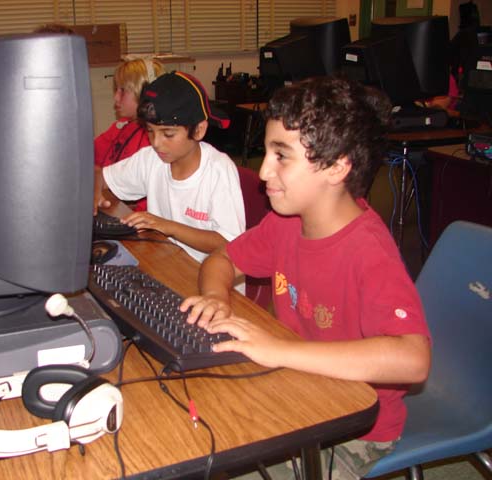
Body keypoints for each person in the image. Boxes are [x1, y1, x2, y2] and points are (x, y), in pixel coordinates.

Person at [180, 76, 432, 479]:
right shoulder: (286, 222)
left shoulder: (369, 252)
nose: (264, 170)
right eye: (266, 152)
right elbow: (221, 259)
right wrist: (216, 297)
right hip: (297, 384)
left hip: (355, 424)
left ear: (336, 167)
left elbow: (413, 360)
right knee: (199, 430)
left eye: (281, 156)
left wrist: (279, 351)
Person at [94, 71, 246, 263]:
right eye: (150, 131)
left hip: (206, 273)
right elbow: (100, 176)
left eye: (168, 134)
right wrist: (95, 193)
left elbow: (230, 243)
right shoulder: (151, 159)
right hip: (165, 262)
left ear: (199, 130)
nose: (156, 143)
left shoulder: (218, 171)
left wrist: (168, 227)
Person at [94, 58, 165, 211]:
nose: (116, 97)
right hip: (110, 204)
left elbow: (146, 205)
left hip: (132, 216)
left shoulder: (154, 140)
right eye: (116, 90)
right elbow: (88, 157)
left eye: (123, 91)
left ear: (145, 94)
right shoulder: (122, 126)